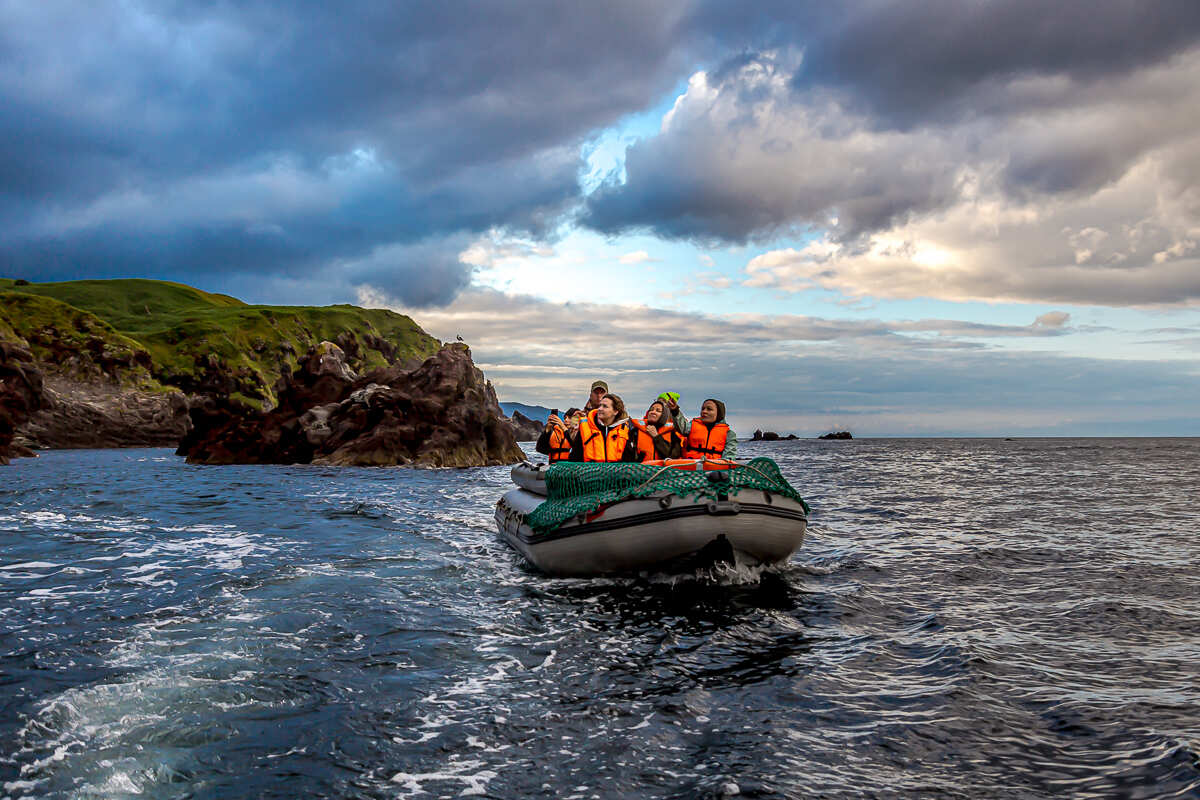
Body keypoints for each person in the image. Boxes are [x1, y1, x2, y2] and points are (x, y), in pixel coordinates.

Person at [571, 393, 638, 462]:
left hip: (616, 472)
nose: (600, 408)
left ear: (615, 411)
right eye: (600, 405)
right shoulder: (585, 428)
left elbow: (629, 460)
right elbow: (575, 457)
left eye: (605, 406)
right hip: (589, 471)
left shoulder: (624, 431)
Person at [671, 397, 738, 460]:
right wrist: (675, 410)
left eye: (709, 409)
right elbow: (682, 427)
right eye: (703, 409)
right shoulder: (691, 426)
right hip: (690, 465)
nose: (704, 411)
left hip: (715, 468)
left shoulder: (729, 434)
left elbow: (729, 456)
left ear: (719, 413)